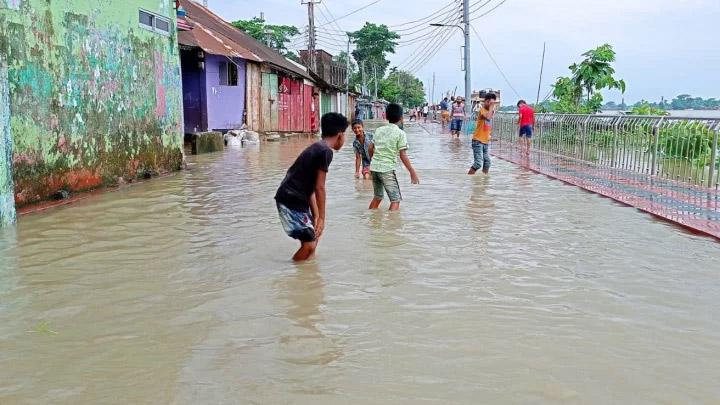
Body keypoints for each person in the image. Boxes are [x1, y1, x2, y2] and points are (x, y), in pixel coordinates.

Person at [275, 112, 348, 261]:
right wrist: (322, 217)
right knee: (310, 245)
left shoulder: (318, 147)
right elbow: (320, 188)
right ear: (340, 135)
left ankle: (308, 275)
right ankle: (291, 273)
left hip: (295, 197)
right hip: (290, 199)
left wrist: (316, 216)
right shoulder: (325, 151)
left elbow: (312, 187)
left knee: (313, 238)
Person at [368, 103, 420, 211]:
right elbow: (403, 155)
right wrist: (412, 172)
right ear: (401, 118)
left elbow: (370, 148)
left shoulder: (379, 130)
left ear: (386, 117)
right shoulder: (400, 133)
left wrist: (375, 161)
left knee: (377, 197)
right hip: (386, 169)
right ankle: (391, 227)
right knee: (395, 200)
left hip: (374, 168)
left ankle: (371, 220)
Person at [468, 93, 497, 175]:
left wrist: (489, 136)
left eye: (493, 103)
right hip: (477, 141)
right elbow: (487, 117)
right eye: (490, 103)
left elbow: (488, 123)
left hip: (485, 141)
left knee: (487, 162)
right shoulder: (482, 110)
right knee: (478, 163)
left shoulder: (490, 111)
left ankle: (484, 179)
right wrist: (491, 107)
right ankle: (469, 178)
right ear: (486, 102)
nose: (492, 105)